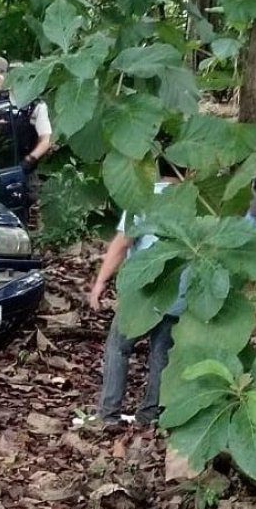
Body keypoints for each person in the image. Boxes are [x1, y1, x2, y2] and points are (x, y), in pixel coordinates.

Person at [87, 158, 188, 427]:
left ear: (156, 168)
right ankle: (150, 415)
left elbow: (122, 244)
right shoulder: (194, 202)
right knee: (162, 354)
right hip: (178, 292)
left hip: (143, 293)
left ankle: (109, 414)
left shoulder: (144, 198)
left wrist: (100, 283)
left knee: (119, 348)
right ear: (189, 171)